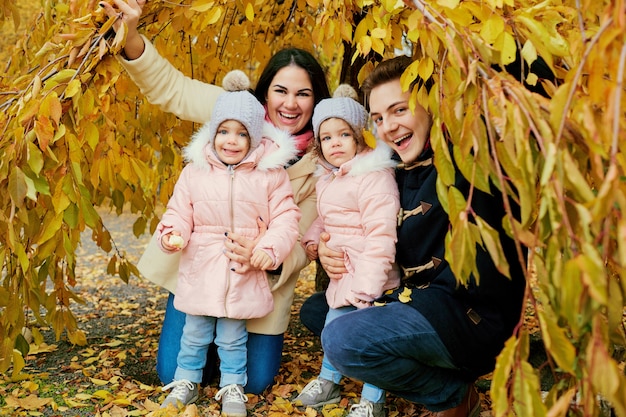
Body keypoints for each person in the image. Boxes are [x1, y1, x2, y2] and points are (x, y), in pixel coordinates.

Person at [99, 0, 331, 394]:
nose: (290, 104)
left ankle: (226, 363)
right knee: (172, 373)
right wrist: (131, 34)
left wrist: (266, 256)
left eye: (303, 94)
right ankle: (200, 349)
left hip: (258, 283)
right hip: (201, 270)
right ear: (265, 92)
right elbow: (172, 89)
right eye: (280, 90)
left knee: (255, 381)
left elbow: (302, 241)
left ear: (317, 100)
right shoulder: (234, 114)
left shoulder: (321, 162)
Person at [310, 55, 528, 417]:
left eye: (399, 110)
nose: (388, 127)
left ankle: (451, 395)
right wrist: (324, 250)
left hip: (470, 315)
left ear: (432, 104)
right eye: (378, 119)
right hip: (418, 301)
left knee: (341, 338)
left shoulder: (469, 154)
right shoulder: (393, 171)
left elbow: (518, 76)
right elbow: (365, 228)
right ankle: (452, 382)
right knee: (322, 309)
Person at [156, 70, 301, 415]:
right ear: (213, 133)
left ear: (254, 137)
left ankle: (232, 385)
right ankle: (185, 380)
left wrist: (268, 249)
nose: (231, 141)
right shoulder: (196, 171)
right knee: (194, 332)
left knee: (233, 336)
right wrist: (172, 235)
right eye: (223, 131)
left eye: (241, 133)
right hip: (202, 268)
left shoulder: (270, 174)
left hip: (242, 270)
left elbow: (286, 218)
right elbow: (179, 210)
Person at [293, 85, 399, 417]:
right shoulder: (330, 179)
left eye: (343, 134)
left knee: (370, 340)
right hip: (344, 276)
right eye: (326, 138)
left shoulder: (374, 177)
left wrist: (369, 286)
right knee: (334, 327)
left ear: (359, 137)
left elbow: (382, 235)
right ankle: (329, 380)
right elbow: (327, 219)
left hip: (373, 278)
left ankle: (373, 398)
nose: (334, 143)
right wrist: (313, 240)